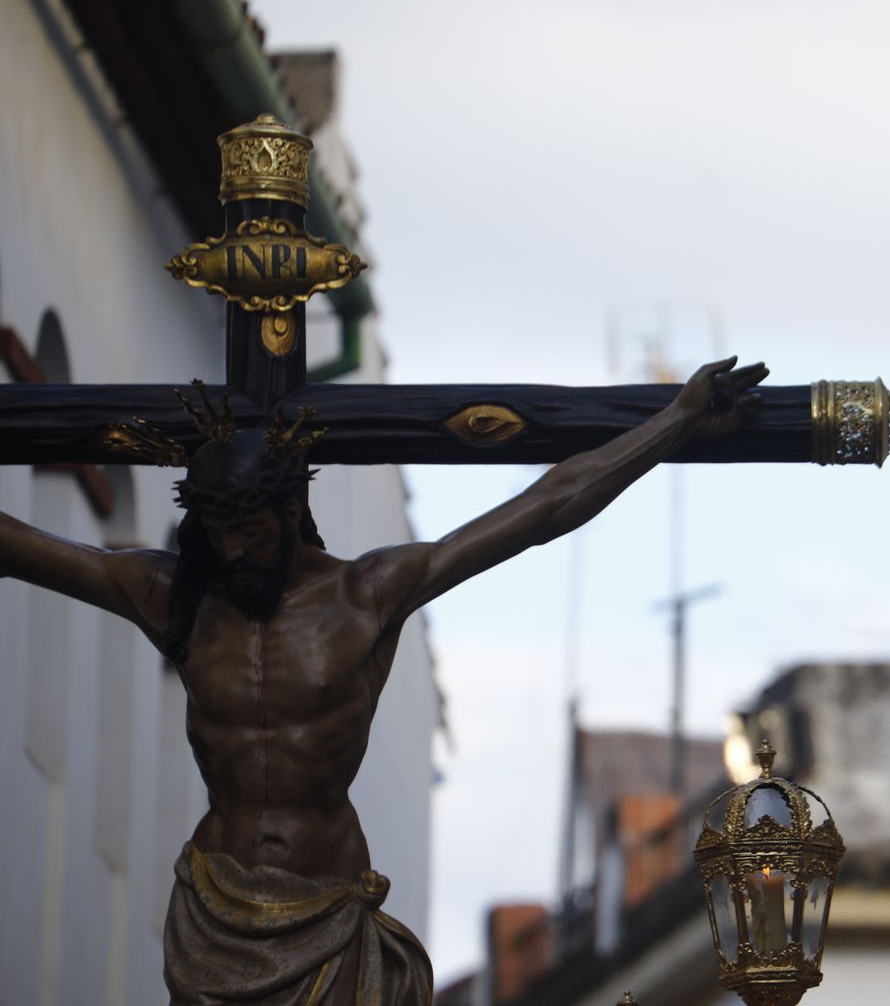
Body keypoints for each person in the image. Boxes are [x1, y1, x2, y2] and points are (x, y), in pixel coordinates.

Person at [0, 356, 766, 1006]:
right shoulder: (175, 598)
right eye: (220, 533)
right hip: (213, 916)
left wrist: (676, 421)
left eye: (250, 531)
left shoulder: (365, 595)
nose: (234, 553)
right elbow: (24, 546)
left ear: (289, 510)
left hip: (326, 915)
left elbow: (544, 508)